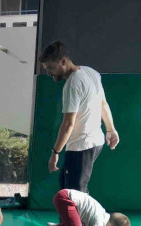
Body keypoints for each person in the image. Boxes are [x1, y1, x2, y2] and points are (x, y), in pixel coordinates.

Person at [39, 40, 119, 194]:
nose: (49, 73)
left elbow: (68, 124)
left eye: (50, 67)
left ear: (63, 61)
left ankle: (83, 211)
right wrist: (111, 130)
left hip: (81, 145)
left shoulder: (72, 84)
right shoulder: (91, 72)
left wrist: (55, 153)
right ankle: (71, 211)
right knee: (66, 187)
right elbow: (103, 103)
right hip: (93, 142)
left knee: (76, 194)